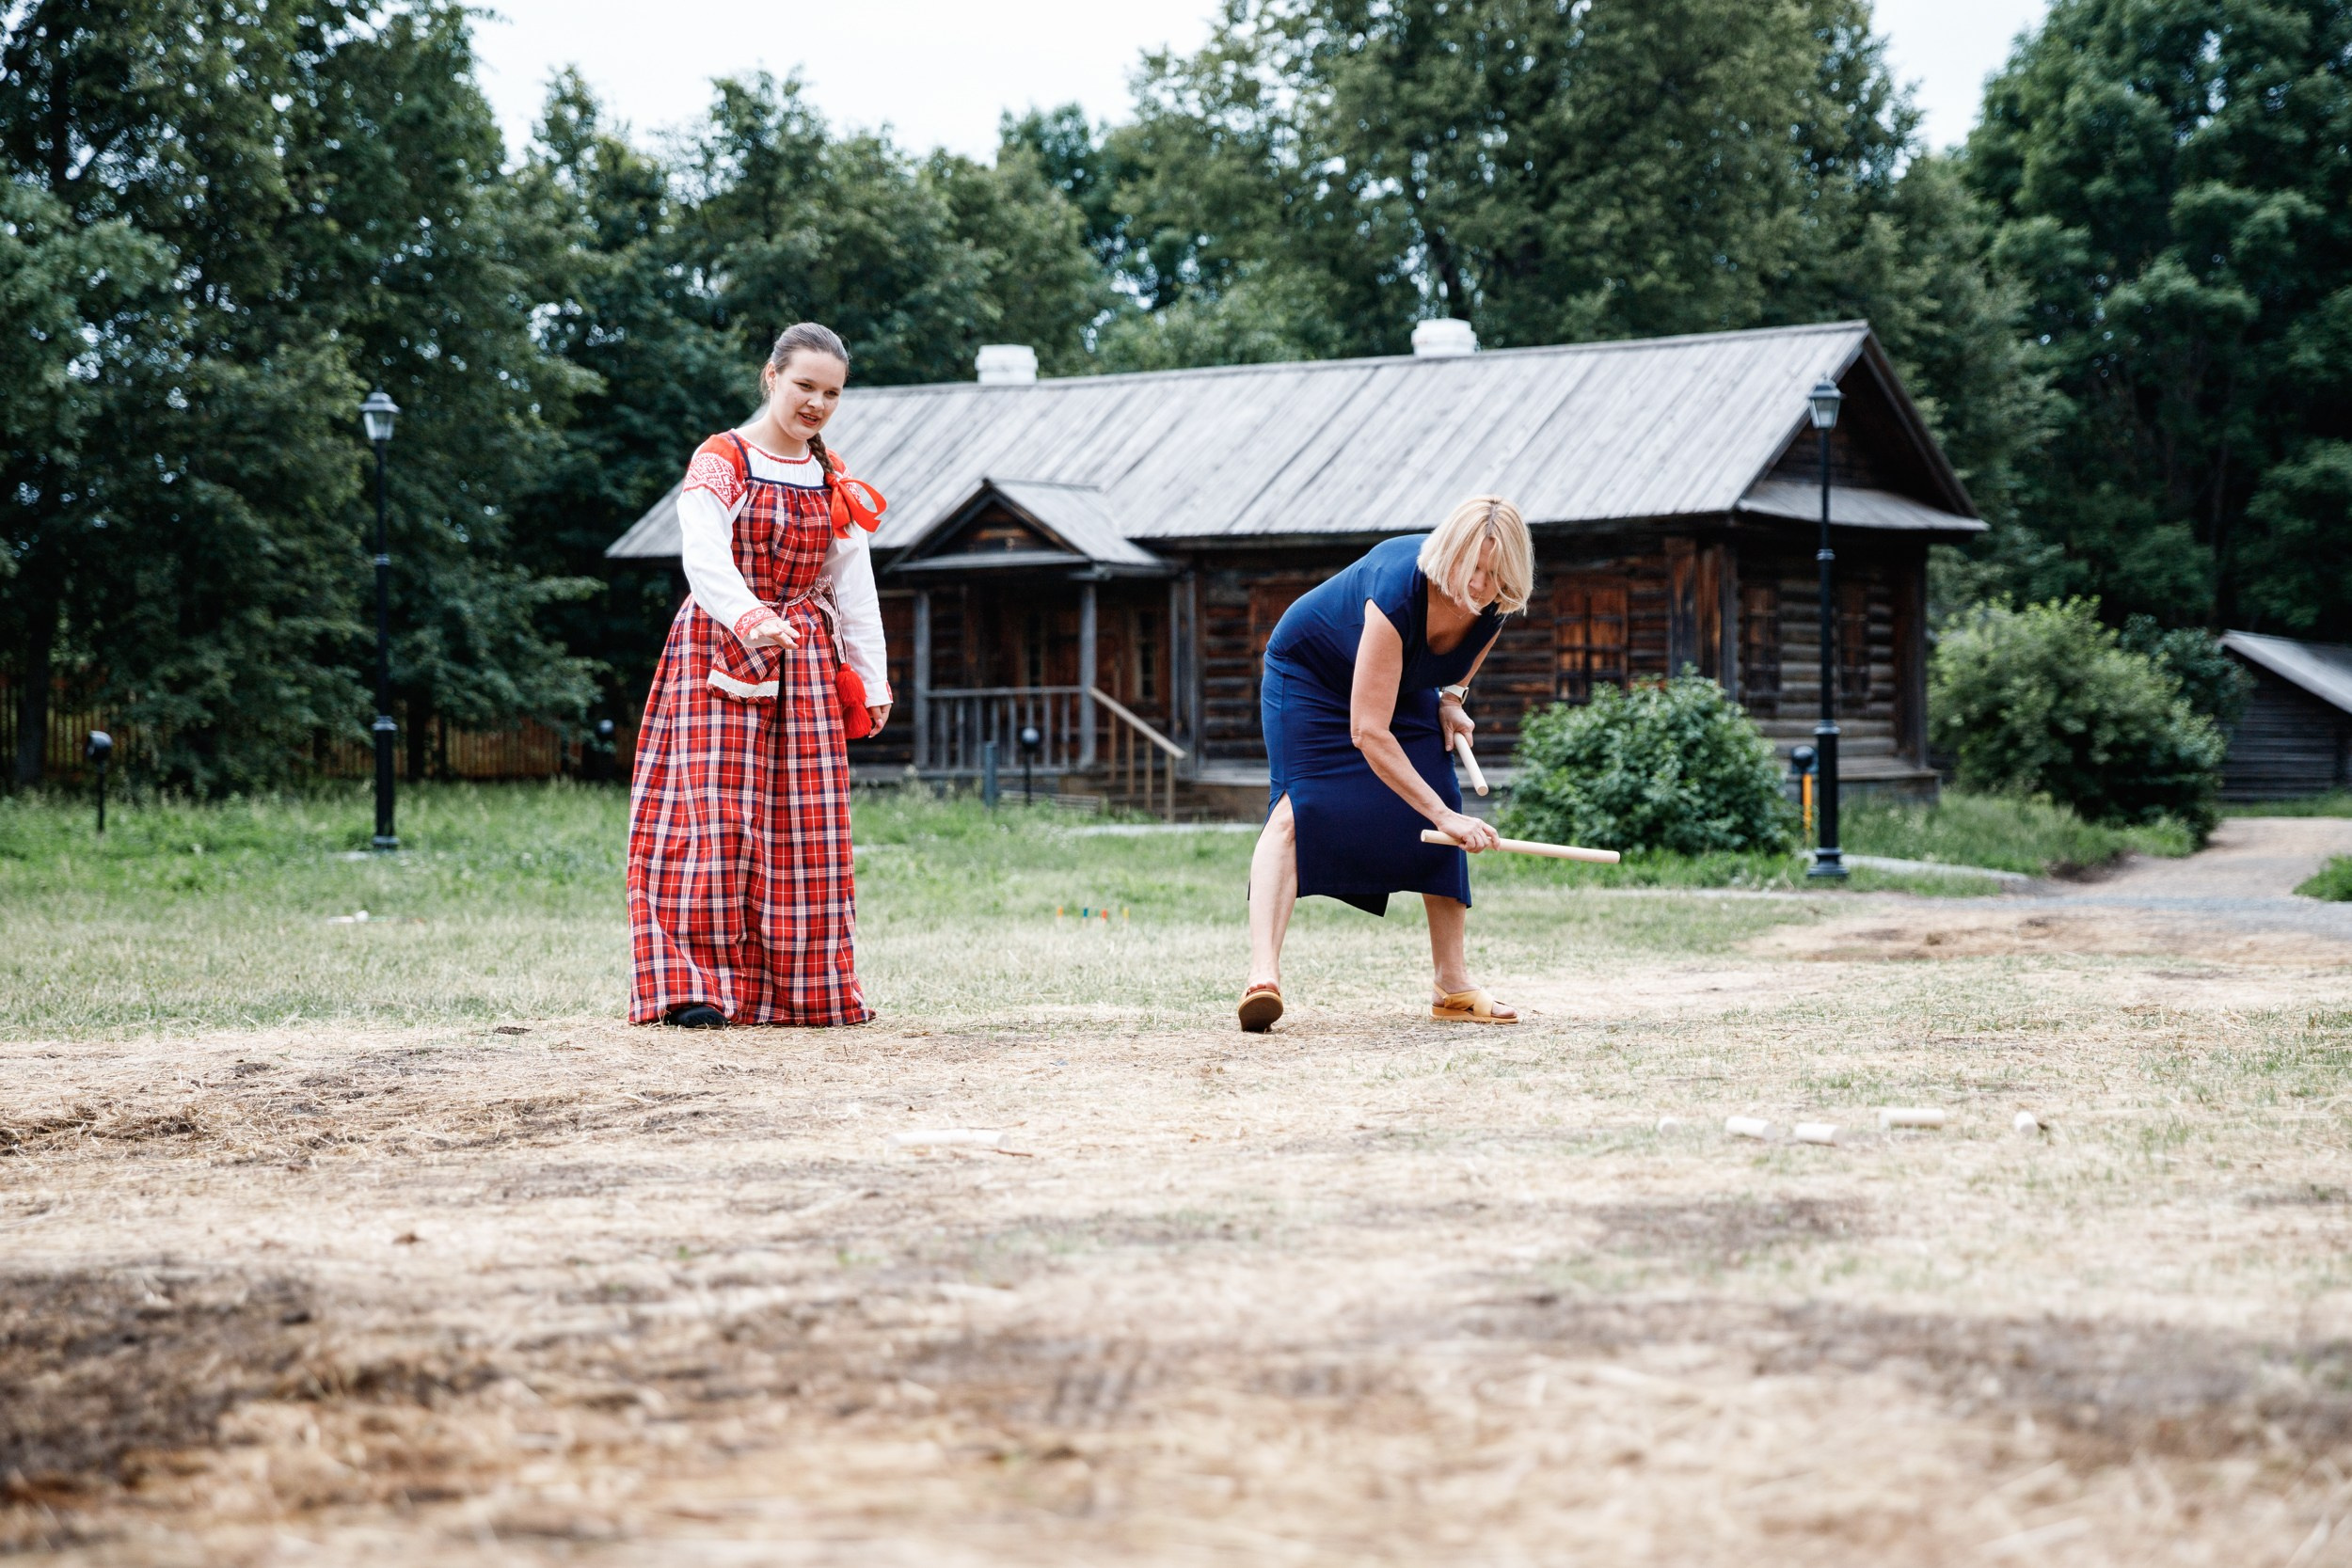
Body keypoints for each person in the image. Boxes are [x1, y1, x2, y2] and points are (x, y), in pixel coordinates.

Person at [627, 323, 893, 1028]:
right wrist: (750, 618)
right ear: (771, 376)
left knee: (804, 828)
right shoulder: (723, 459)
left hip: (802, 667)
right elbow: (703, 555)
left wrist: (874, 677)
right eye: (805, 385)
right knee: (713, 819)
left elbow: (853, 584)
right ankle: (695, 989)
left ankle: (800, 989)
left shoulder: (830, 478)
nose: (817, 403)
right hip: (717, 655)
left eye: (831, 392)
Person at [1239, 497, 1534, 1032]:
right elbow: (1367, 732)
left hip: (1399, 682)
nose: (1481, 586)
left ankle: (1453, 985)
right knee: (1296, 806)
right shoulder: (1400, 590)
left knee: (1444, 796)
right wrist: (1444, 819)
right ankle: (1264, 979)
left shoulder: (1497, 601)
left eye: (1496, 574)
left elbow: (1462, 664)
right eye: (1473, 569)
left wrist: (1451, 701)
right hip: (1311, 673)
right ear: (1450, 553)